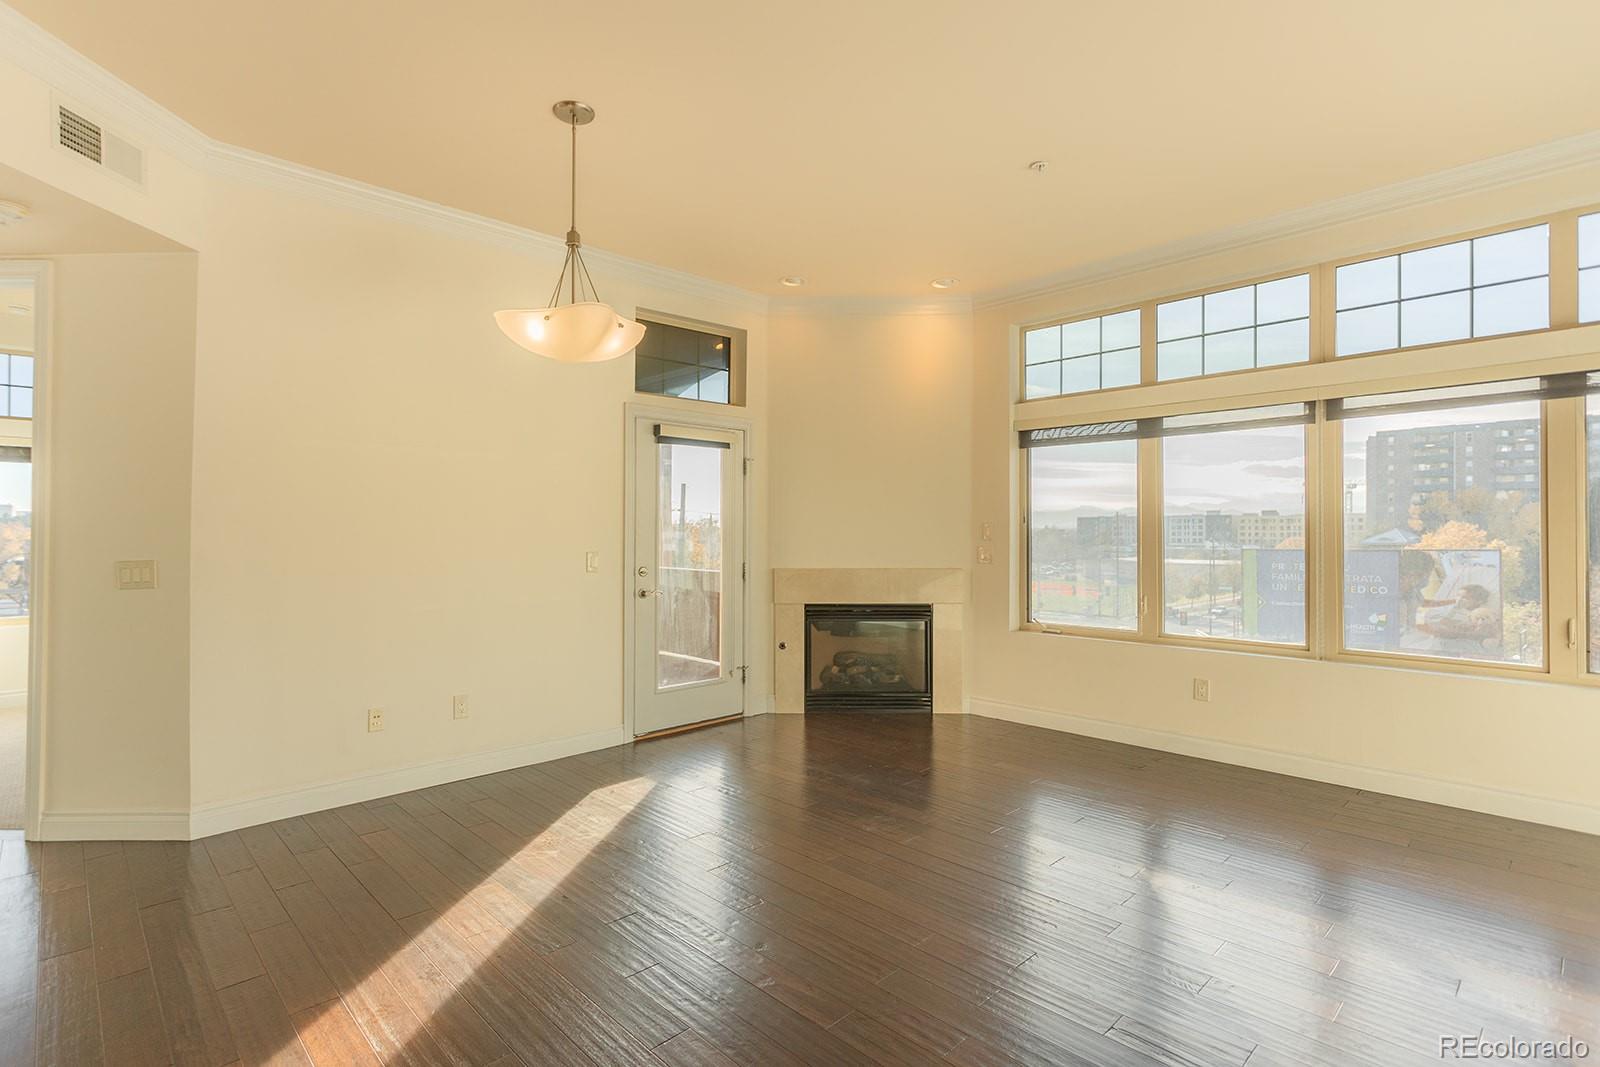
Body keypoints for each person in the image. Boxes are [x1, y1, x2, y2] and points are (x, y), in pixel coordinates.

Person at [1417, 584, 1498, 656]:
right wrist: (1454, 608)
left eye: (1465, 598)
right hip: (1443, 640)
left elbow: (1481, 631)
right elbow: (1439, 622)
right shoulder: (1452, 609)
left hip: (1464, 643)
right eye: (1458, 596)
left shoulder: (1481, 613)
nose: (1459, 600)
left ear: (1479, 601)